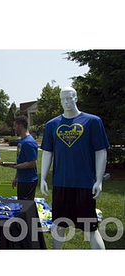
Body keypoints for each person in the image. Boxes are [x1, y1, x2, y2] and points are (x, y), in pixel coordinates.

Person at [40, 87, 110, 250]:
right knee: (59, 225)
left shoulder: (92, 121)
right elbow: (47, 152)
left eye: (70, 98)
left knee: (91, 228)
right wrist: (43, 178)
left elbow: (100, 151)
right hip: (61, 183)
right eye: (63, 99)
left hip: (84, 184)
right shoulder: (52, 125)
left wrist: (99, 180)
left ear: (76, 98)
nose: (66, 102)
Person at [2, 115, 38, 200]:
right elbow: (21, 160)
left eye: (15, 126)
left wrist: (16, 166)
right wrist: (16, 177)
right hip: (22, 179)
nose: (14, 128)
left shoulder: (28, 142)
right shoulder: (21, 141)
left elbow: (32, 163)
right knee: (21, 204)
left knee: (26, 207)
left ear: (20, 126)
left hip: (29, 180)